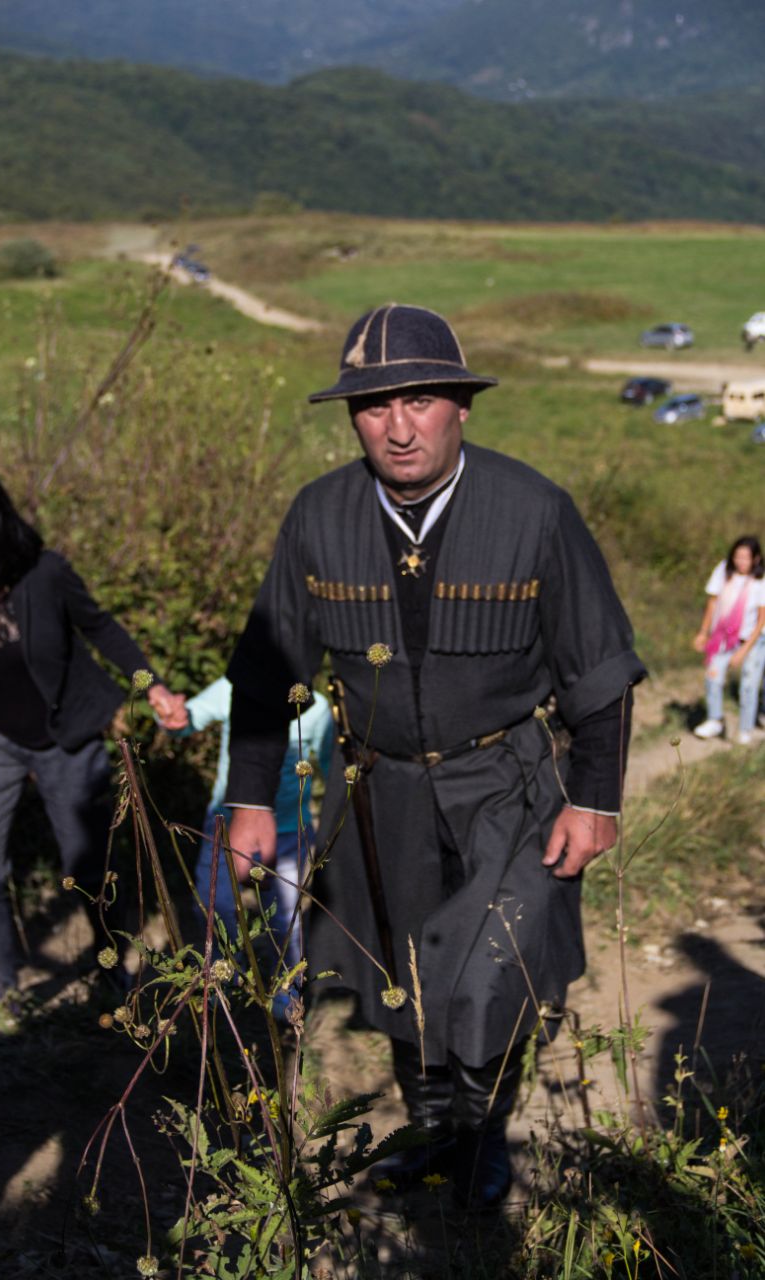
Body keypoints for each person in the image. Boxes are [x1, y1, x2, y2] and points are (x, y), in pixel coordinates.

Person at [221, 303, 647, 1207]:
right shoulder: (317, 517)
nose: (398, 426)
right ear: (351, 419)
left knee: (490, 974)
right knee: (398, 977)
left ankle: (482, 1132)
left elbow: (598, 670)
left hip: (511, 782)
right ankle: (433, 1132)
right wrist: (249, 802)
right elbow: (264, 675)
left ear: (461, 405)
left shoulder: (533, 511)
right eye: (375, 407)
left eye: (419, 400)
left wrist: (596, 800)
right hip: (379, 789)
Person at [0, 459, 187, 1033]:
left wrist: (151, 683)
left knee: (88, 868)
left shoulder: (43, 574)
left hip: (66, 736)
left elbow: (101, 627)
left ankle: (117, 979)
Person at [171, 675, 332, 1013]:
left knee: (286, 916)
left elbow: (332, 768)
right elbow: (188, 720)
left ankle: (288, 990)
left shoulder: (316, 708)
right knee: (213, 904)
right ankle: (224, 977)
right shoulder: (234, 688)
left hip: (289, 832)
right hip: (225, 826)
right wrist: (172, 716)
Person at [692, 535, 765, 745]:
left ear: (756, 559)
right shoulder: (723, 571)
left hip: (752, 640)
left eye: (746, 558)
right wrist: (703, 632)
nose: (741, 562)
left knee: (749, 685)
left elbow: (761, 620)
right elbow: (712, 603)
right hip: (723, 639)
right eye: (737, 557)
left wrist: (743, 652)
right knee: (713, 676)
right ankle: (715, 719)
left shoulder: (760, 582)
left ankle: (745, 729)